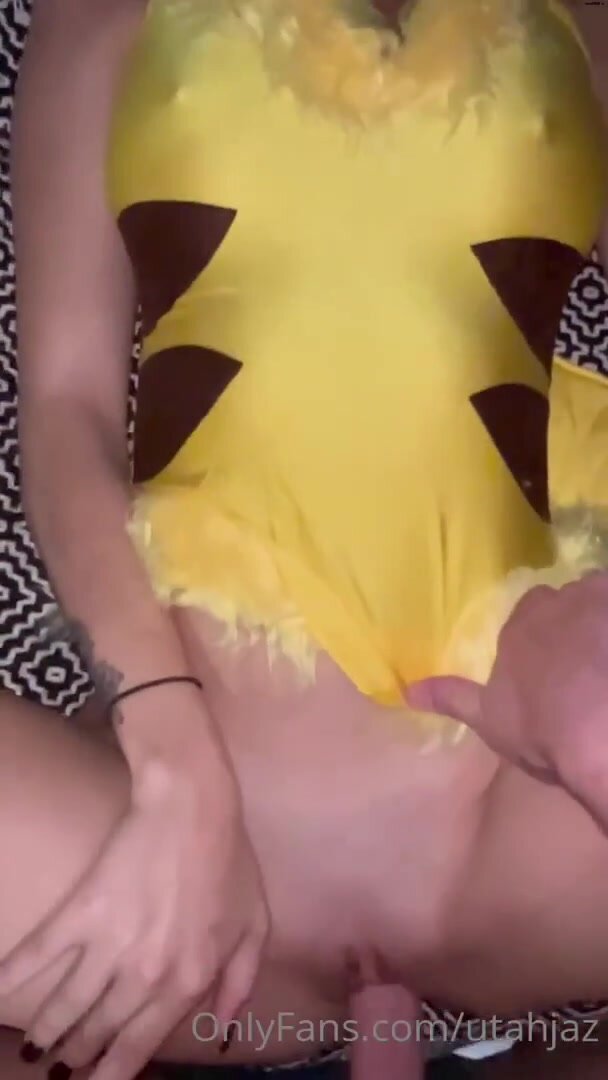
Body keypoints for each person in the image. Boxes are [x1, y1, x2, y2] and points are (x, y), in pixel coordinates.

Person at [5, 0, 608, 1078]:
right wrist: (175, 766)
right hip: (192, 859)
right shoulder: (95, 12)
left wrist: (584, 698)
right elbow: (64, 409)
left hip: (524, 840)